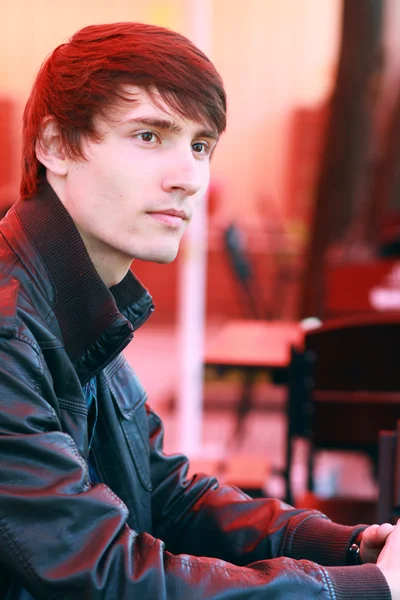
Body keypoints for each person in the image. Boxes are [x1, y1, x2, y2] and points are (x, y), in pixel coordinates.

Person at [0, 21, 398, 600]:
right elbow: (104, 571)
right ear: (55, 146)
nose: (188, 177)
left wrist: (352, 548)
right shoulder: (11, 331)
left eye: (200, 145)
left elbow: (167, 495)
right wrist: (354, 590)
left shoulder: (75, 298)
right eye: (148, 136)